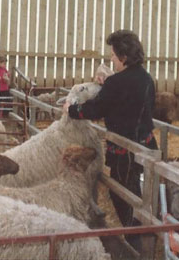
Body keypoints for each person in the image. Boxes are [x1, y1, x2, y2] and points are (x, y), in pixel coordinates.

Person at [62, 29, 157, 253]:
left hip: (125, 152)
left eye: (113, 56)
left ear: (123, 56)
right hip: (148, 146)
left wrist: (71, 109)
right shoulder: (146, 79)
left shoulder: (117, 83)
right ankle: (146, 237)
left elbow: (96, 108)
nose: (111, 60)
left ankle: (136, 247)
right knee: (145, 197)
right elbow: (128, 101)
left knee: (123, 196)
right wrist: (110, 84)